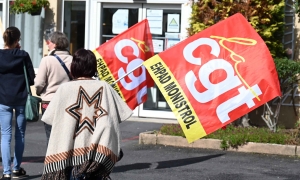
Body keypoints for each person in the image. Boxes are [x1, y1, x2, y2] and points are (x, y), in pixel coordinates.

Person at [40, 49, 132, 180]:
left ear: (74, 66)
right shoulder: (104, 87)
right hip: (96, 155)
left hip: (69, 152)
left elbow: (50, 118)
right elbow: (117, 116)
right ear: (93, 66)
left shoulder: (64, 89)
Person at [0, 27, 35, 179]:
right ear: (16, 41)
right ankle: (16, 168)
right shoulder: (23, 55)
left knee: (5, 136)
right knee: (20, 134)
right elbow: (32, 78)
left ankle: (6, 172)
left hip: (3, 99)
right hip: (21, 100)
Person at [34, 31, 73, 144]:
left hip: (49, 102)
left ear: (55, 43)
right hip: (68, 101)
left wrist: (40, 92)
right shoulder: (72, 59)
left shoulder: (47, 60)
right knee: (66, 135)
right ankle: (65, 160)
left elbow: (39, 83)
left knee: (50, 136)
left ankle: (52, 160)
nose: (47, 44)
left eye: (49, 42)